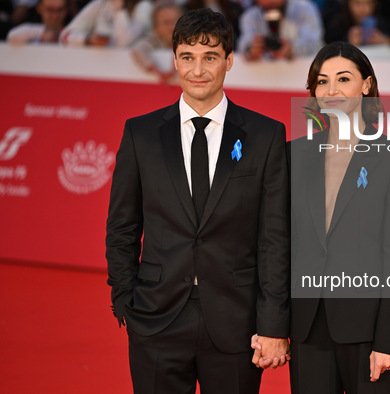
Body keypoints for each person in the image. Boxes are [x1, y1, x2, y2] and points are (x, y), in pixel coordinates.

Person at [106, 8, 290, 394]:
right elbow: (123, 225)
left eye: (209, 57)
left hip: (236, 321)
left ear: (228, 60)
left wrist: (273, 323)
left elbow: (274, 237)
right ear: (174, 61)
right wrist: (125, 298)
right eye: (187, 57)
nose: (198, 69)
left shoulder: (265, 136)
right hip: (156, 318)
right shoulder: (141, 134)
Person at [254, 41, 390, 393]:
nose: (331, 90)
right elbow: (278, 246)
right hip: (307, 327)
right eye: (321, 81)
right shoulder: (292, 155)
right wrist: (274, 325)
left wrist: (389, 340)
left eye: (343, 79)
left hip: (368, 330)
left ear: (366, 85)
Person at [237, 0, 323, 61]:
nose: (271, 1)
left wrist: (292, 49)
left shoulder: (304, 8)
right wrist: (250, 49)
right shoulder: (250, 16)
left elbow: (314, 43)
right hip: (265, 79)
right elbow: (243, 44)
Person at [325, 0, 390, 48]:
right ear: (348, 3)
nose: (363, 9)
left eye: (368, 3)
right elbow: (327, 47)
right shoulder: (337, 23)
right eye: (357, 3)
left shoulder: (381, 22)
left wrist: (387, 40)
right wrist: (348, 44)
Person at [59, 0, 152, 47]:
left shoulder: (145, 6)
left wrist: (119, 9)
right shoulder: (100, 4)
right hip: (97, 68)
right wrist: (88, 40)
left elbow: (123, 43)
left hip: (128, 73)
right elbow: (64, 36)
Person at [131, 1, 182, 84]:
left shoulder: (189, 37)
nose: (171, 27)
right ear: (156, 27)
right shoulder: (154, 38)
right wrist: (156, 71)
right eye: (166, 23)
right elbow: (138, 49)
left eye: (174, 22)